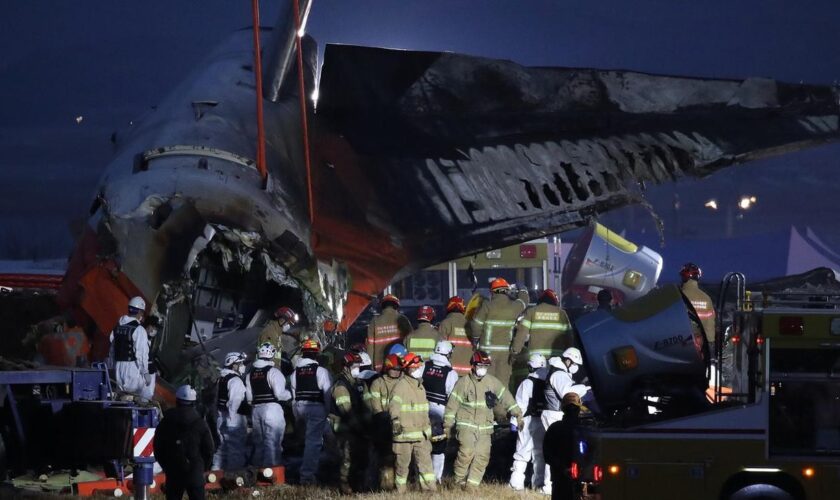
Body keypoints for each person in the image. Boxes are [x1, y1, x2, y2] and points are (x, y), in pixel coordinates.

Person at [444, 350, 523, 490]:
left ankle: (471, 487)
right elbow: (452, 405)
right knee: (466, 452)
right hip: (466, 426)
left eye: (485, 366)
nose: (482, 369)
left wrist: (517, 413)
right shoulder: (463, 383)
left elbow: (506, 396)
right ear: (473, 365)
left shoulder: (492, 382)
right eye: (480, 365)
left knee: (482, 456)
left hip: (485, 428)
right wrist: (447, 425)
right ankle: (457, 481)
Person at [153, 385, 215, 500]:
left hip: (174, 471)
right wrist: (203, 467)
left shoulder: (166, 421)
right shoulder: (200, 423)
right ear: (193, 402)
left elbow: (158, 447)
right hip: (195, 471)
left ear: (177, 400)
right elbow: (209, 449)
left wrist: (166, 466)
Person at [541, 348, 589, 494]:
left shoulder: (561, 372)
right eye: (574, 363)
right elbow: (567, 394)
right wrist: (585, 388)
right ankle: (549, 487)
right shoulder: (559, 374)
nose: (576, 367)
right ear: (567, 360)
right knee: (559, 450)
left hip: (554, 413)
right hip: (554, 413)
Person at [389, 353, 437, 492]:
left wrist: (429, 430)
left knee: (426, 466)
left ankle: (430, 492)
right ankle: (400, 493)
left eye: (419, 367)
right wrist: (395, 421)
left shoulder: (420, 387)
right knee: (402, 468)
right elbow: (393, 406)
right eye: (415, 367)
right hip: (404, 436)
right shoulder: (401, 386)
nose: (418, 369)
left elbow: (423, 411)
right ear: (408, 369)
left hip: (421, 436)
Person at [470, 278, 527, 389]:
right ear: (506, 291)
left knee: (486, 385)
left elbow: (476, 324)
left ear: (492, 292)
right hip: (505, 354)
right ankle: (499, 406)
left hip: (486, 353)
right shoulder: (514, 307)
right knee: (501, 387)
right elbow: (524, 301)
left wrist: (475, 339)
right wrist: (522, 289)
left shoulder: (487, 305)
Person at [290, 339, 332, 485]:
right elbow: (327, 394)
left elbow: (294, 397)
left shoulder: (295, 373)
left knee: (328, 434)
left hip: (300, 409)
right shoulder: (321, 371)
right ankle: (307, 477)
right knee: (313, 443)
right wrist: (326, 411)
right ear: (316, 355)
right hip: (316, 408)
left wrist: (296, 415)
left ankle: (332, 461)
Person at [246, 342, 292, 467]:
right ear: (272, 355)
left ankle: (257, 470)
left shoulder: (251, 373)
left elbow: (249, 397)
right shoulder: (273, 372)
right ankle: (271, 472)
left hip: (256, 410)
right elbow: (280, 394)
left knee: (259, 443)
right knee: (273, 442)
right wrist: (292, 394)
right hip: (272, 409)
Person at [329, 352, 368, 493]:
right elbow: (346, 411)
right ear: (346, 368)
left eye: (358, 366)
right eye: (354, 366)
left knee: (358, 456)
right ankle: (345, 486)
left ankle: (357, 483)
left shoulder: (356, 384)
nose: (357, 369)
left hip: (355, 426)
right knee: (347, 458)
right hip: (344, 427)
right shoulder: (341, 387)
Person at [510, 354, 549, 491]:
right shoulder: (548, 382)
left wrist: (514, 423)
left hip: (527, 421)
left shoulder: (527, 383)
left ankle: (516, 484)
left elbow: (519, 406)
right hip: (544, 421)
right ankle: (538, 485)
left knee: (522, 453)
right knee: (539, 454)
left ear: (531, 367)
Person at [421, 340, 459, 482]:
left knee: (421, 446)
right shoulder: (450, 373)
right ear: (448, 354)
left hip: (421, 411)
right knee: (438, 448)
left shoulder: (424, 366)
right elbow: (452, 396)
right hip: (439, 413)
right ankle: (436, 478)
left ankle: (420, 476)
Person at [367, 353, 404, 490]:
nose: (397, 372)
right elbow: (376, 407)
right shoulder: (378, 383)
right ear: (387, 368)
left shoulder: (403, 382)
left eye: (399, 369)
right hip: (382, 426)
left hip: (400, 425)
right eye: (394, 369)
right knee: (383, 458)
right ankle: (382, 486)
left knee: (401, 458)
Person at [109, 296, 153, 399]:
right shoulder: (139, 330)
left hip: (118, 370)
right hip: (131, 371)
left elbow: (111, 349)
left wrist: (111, 366)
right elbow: (141, 354)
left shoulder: (118, 326)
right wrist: (145, 372)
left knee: (120, 396)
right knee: (138, 397)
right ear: (140, 312)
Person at [512, 289, 573, 362]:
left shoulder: (531, 312)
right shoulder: (562, 314)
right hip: (557, 359)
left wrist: (515, 350)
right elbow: (569, 337)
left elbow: (522, 333)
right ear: (555, 301)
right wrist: (570, 357)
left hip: (535, 359)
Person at [212, 352, 248, 471]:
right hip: (233, 420)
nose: (243, 365)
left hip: (221, 418)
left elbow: (216, 399)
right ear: (233, 365)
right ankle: (234, 477)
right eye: (240, 363)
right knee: (235, 450)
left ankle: (215, 473)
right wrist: (232, 419)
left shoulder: (221, 378)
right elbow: (235, 401)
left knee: (222, 449)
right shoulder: (236, 381)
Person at [543, 393, 583, 500]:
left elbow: (547, 455)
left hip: (559, 479)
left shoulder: (554, 428)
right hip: (581, 479)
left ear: (562, 408)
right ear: (579, 409)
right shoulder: (585, 429)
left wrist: (563, 468)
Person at [367, 294, 413, 371]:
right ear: (396, 306)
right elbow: (411, 341)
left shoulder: (374, 321)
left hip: (381, 366)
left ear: (382, 306)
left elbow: (370, 346)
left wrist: (370, 366)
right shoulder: (403, 319)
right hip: (400, 364)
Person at [679, 263, 716, 350]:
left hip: (680, 343)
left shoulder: (677, 296)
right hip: (700, 345)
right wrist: (710, 343)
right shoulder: (706, 298)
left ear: (684, 277)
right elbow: (710, 325)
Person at [438, 296, 474, 375]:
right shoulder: (471, 325)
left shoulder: (445, 323)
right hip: (468, 372)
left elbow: (439, 349)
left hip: (450, 372)